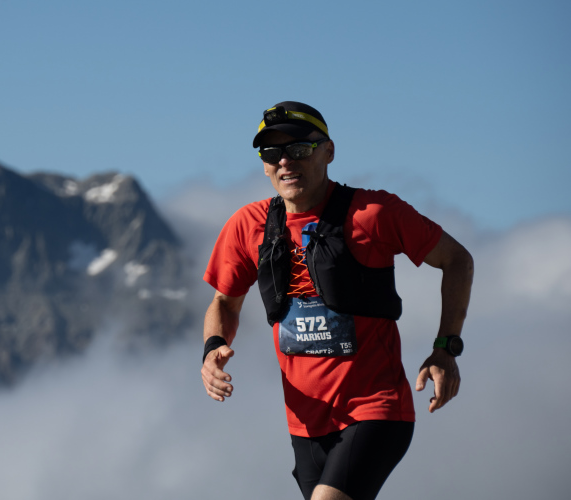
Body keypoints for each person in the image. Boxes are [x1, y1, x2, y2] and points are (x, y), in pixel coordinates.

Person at [201, 101, 474, 500]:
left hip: (376, 411)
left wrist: (446, 348)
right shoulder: (248, 225)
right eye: (272, 153)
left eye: (299, 149)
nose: (285, 161)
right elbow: (224, 303)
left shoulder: (373, 213)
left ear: (328, 151)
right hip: (305, 426)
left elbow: (457, 260)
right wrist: (212, 348)